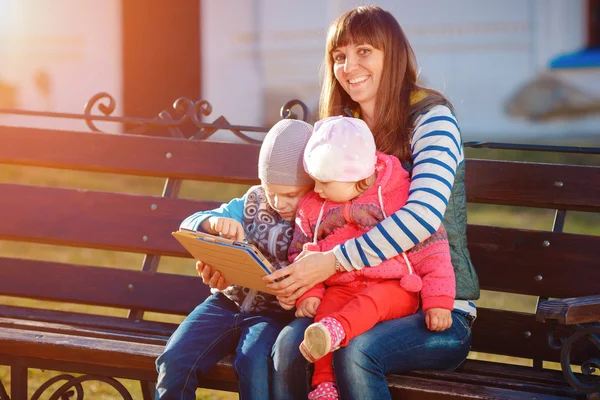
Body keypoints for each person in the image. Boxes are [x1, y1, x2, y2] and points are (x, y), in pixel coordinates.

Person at [267, 5, 480, 400]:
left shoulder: (431, 119)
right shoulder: (338, 129)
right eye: (339, 56)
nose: (349, 66)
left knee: (356, 352)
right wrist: (295, 278)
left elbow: (422, 217)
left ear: (392, 54)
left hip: (434, 309)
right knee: (287, 348)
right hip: (347, 297)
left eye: (364, 51)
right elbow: (302, 209)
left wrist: (330, 262)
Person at [289, 116, 455, 399]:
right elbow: (303, 254)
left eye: (324, 182)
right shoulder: (314, 206)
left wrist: (438, 302)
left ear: (361, 181)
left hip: (395, 286)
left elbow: (434, 252)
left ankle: (339, 328)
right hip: (342, 287)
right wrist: (311, 293)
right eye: (314, 180)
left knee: (372, 302)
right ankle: (324, 385)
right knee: (324, 316)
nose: (316, 189)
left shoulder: (397, 197)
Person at [155, 119, 314, 399]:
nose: (279, 203)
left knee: (253, 364)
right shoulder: (252, 201)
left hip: (273, 316)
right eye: (271, 191)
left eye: (291, 194)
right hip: (227, 302)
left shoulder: (315, 215)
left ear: (311, 183)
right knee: (174, 359)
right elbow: (189, 224)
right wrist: (214, 223)